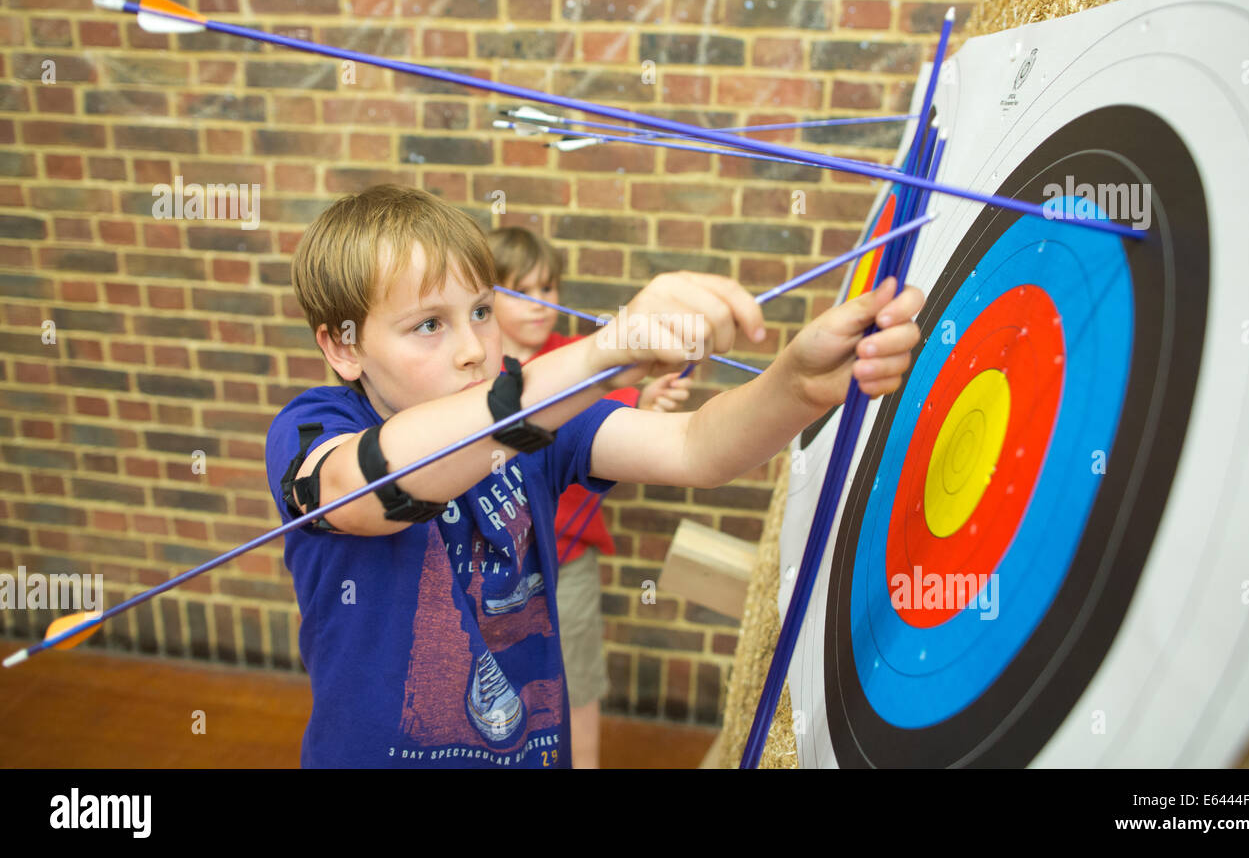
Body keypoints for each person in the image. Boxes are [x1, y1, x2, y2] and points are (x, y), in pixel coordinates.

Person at [264, 184, 924, 768]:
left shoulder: (539, 423)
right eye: (429, 325)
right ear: (343, 346)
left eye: (482, 312)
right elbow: (371, 487)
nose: (472, 349)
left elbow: (695, 447)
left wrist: (797, 385)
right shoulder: (315, 428)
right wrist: (607, 351)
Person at [487, 226, 692, 769]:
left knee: (574, 684)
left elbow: (616, 408)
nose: (538, 302)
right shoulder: (473, 367)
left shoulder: (580, 359)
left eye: (549, 287)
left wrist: (647, 398)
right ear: (485, 299)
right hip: (494, 565)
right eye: (519, 289)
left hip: (567, 559)